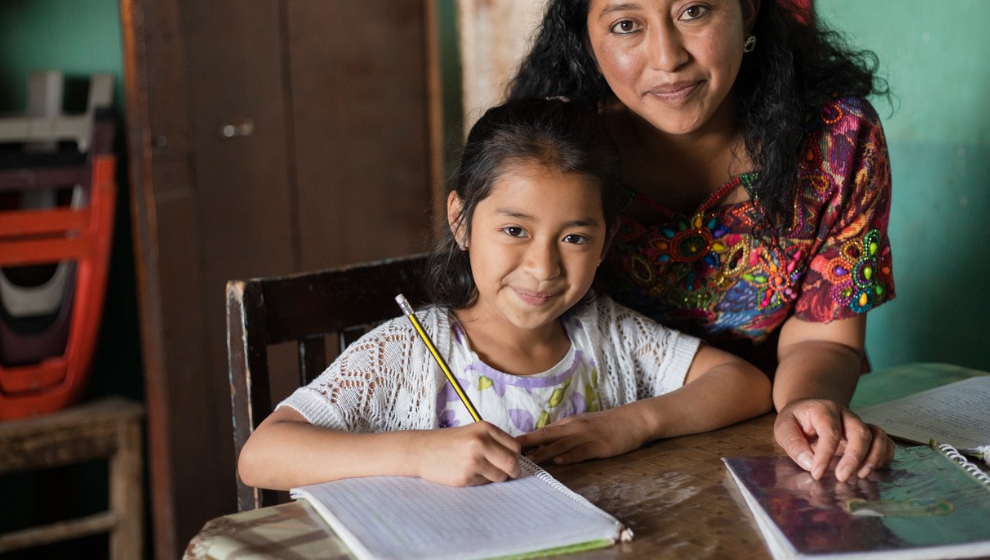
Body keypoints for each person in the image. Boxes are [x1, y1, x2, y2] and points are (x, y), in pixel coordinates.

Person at [507, 0, 896, 483]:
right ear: (588, 40)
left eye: (693, 12)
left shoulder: (838, 142)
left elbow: (825, 334)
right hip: (594, 446)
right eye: (626, 26)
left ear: (746, 9)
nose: (667, 57)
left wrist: (804, 407)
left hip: (772, 443)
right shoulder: (557, 154)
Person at [237, 98, 770, 490]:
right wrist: (418, 453)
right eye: (514, 230)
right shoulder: (411, 353)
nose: (542, 266)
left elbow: (744, 384)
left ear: (606, 241)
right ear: (461, 220)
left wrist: (633, 423)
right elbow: (262, 455)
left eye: (575, 237)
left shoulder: (606, 333)